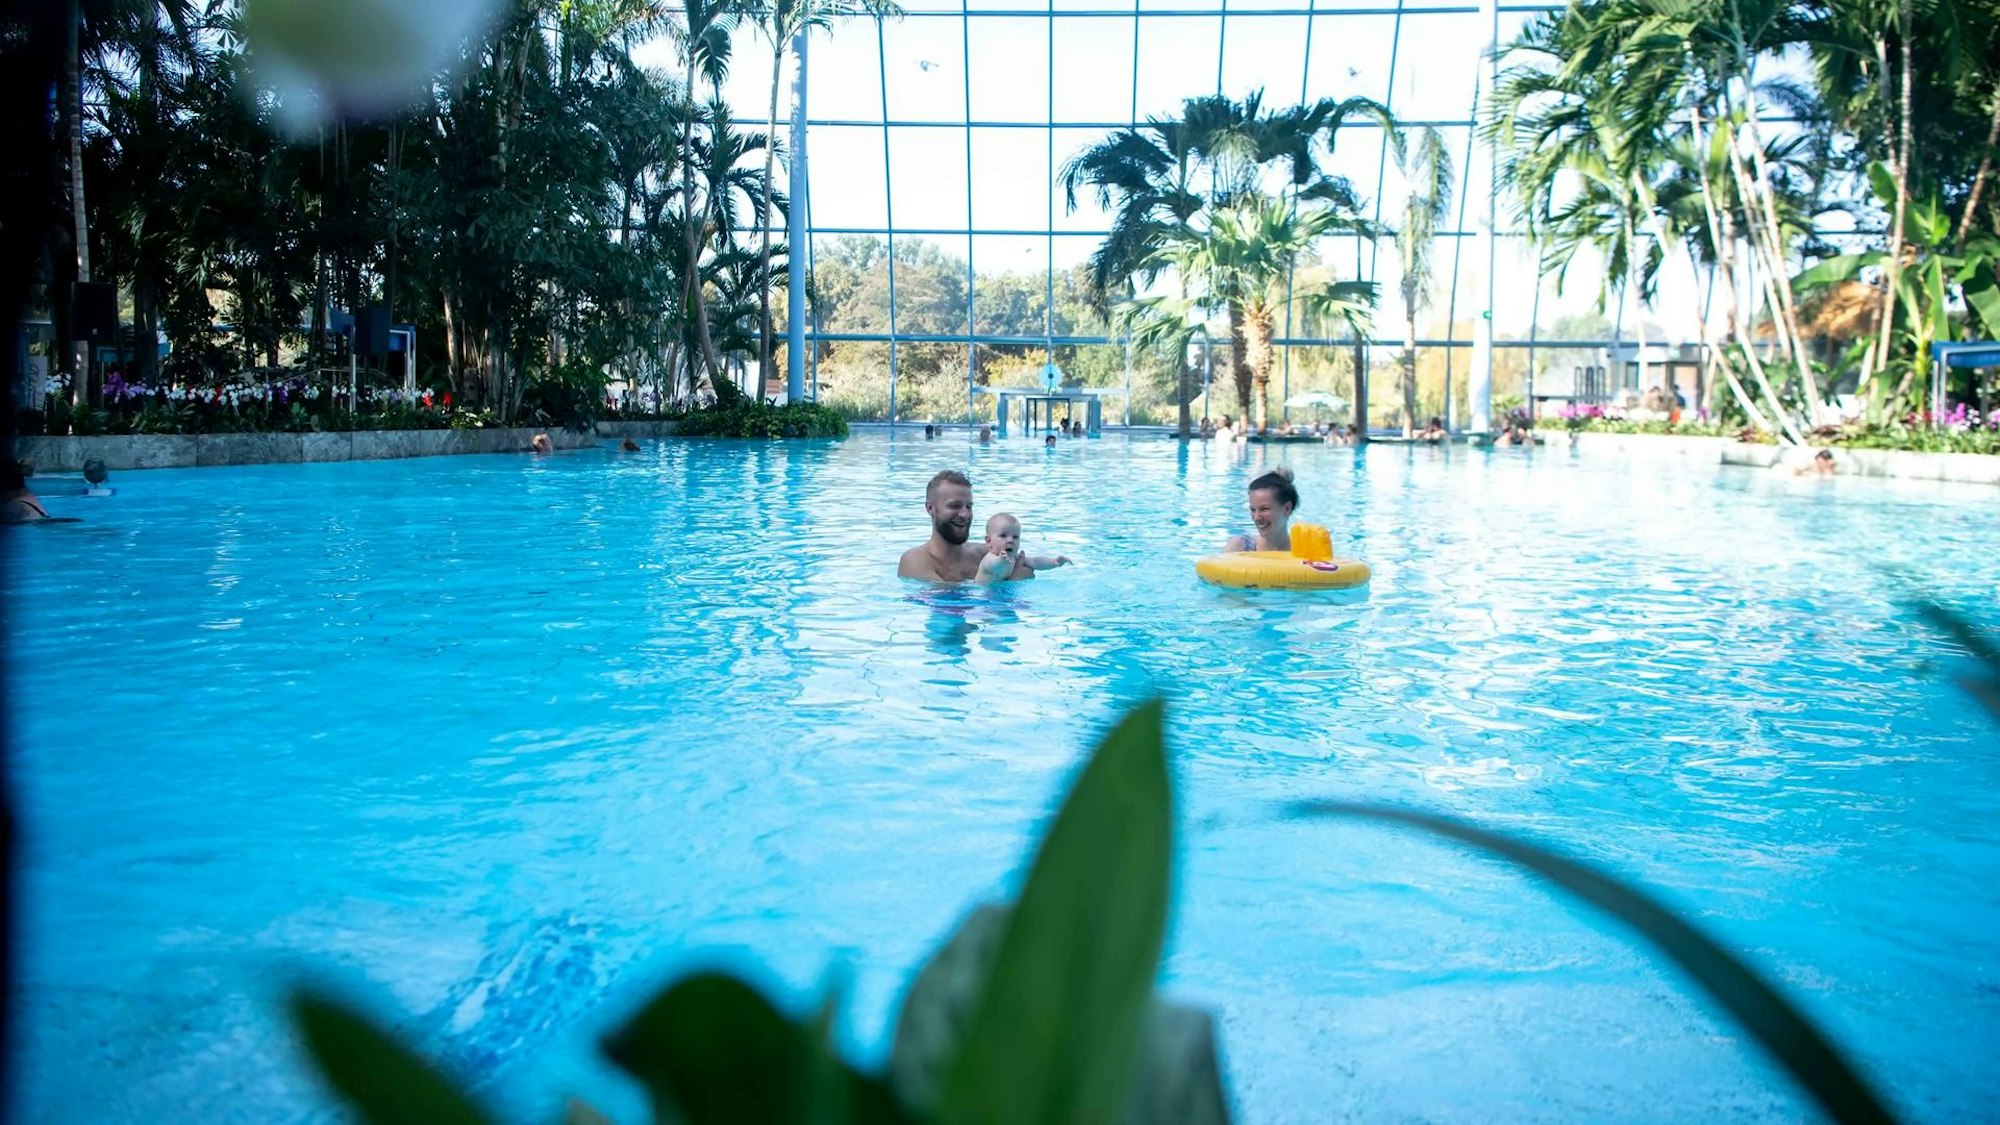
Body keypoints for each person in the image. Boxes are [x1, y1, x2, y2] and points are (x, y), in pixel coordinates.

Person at [898, 470, 987, 582]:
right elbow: (946, 597)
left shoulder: (986, 554)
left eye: (969, 507)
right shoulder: (915, 560)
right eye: (955, 506)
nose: (965, 514)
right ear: (930, 508)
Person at [975, 513, 1072, 584]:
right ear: (988, 541)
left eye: (1015, 537)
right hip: (985, 599)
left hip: (1001, 598)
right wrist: (1000, 560)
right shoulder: (990, 558)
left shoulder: (1015, 558)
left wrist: (1053, 562)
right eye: (1003, 536)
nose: (1010, 540)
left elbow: (1036, 562)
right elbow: (994, 565)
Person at [1224, 466, 1299, 553]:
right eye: (1253, 510)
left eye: (1264, 509)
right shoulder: (1239, 547)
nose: (1256, 517)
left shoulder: (1306, 552)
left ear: (1287, 509)